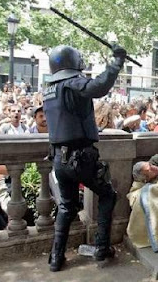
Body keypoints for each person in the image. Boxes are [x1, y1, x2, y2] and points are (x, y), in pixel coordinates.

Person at [43, 43, 127, 271]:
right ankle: (101, 248)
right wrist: (116, 62)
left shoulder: (50, 88)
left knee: (67, 207)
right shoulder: (72, 82)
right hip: (80, 158)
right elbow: (98, 87)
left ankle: (55, 258)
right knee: (108, 195)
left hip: (59, 160)